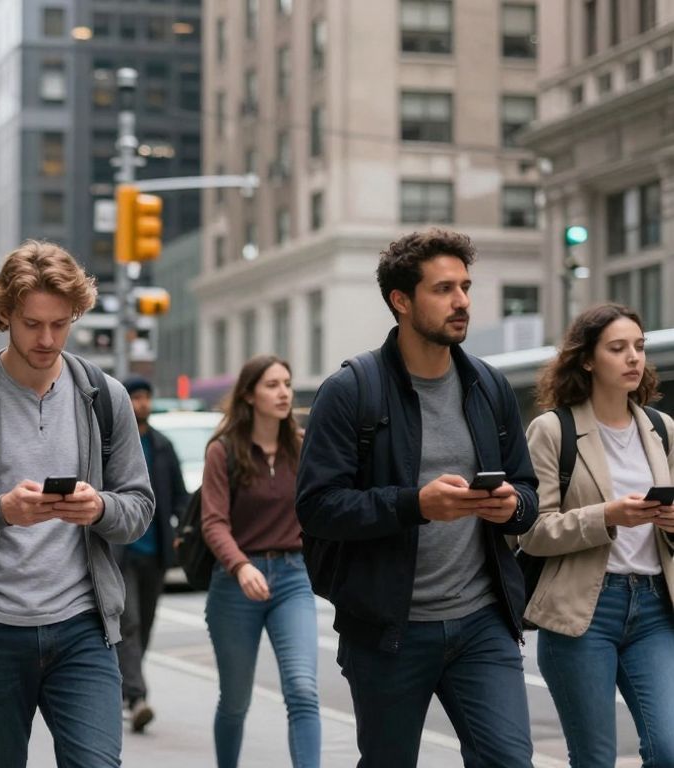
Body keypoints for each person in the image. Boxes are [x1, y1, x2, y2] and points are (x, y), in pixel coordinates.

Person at [0, 240, 155, 768]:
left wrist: (100, 509)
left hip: (84, 627)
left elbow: (139, 506)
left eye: (60, 324)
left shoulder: (103, 397)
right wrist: (0, 511)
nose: (46, 339)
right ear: (3, 316)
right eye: (32, 324)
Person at [296, 228, 539, 767]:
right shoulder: (351, 390)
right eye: (444, 289)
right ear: (400, 301)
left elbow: (527, 487)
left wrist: (512, 507)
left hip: (483, 621)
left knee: (509, 760)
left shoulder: (488, 386)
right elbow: (317, 508)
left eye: (466, 287)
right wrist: (416, 504)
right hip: (389, 630)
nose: (462, 302)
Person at [520, 303, 674, 766]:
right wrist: (606, 516)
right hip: (583, 613)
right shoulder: (552, 430)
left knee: (667, 749)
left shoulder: (663, 429)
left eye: (639, 347)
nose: (633, 358)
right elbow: (532, 530)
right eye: (618, 348)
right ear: (587, 359)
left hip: (654, 609)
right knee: (595, 758)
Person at [201, 356, 319, 767]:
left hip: (292, 578)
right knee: (235, 701)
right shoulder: (223, 450)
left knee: (303, 690)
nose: (284, 392)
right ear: (250, 394)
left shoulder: (303, 448)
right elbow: (213, 522)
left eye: (287, 383)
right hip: (235, 584)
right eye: (272, 385)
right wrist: (241, 565)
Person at [115, 375, 187, 733]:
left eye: (145, 397)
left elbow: (180, 496)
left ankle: (125, 688)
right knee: (128, 624)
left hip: (155, 551)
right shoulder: (112, 444)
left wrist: (180, 534)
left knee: (144, 625)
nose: (141, 403)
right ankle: (137, 695)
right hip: (121, 553)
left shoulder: (163, 446)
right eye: (135, 397)